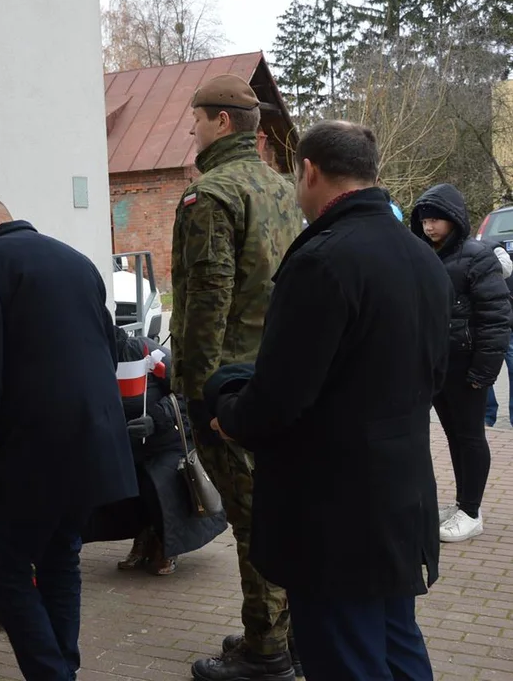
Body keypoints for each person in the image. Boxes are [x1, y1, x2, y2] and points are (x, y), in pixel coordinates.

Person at [207, 120, 451, 679]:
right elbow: (430, 376)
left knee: (346, 657)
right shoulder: (422, 260)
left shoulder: (323, 258)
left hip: (334, 515)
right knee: (396, 643)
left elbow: (281, 398)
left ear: (310, 171)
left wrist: (229, 414)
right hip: (399, 499)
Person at [0, 194, 137, 681]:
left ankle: (52, 674)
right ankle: (63, 670)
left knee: (5, 567)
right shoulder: (78, 263)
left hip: (32, 454)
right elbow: (109, 351)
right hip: (94, 442)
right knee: (60, 556)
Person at [169, 74, 303, 680]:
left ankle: (265, 650)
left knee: (253, 521)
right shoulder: (281, 187)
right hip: (277, 378)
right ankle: (291, 632)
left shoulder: (213, 194)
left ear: (222, 121)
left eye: (195, 117)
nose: (189, 127)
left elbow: (207, 296)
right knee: (281, 509)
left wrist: (195, 388)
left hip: (227, 385)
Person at [411, 185, 511, 542]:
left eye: (436, 219)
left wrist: (483, 371)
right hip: (436, 367)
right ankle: (462, 504)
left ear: (454, 219)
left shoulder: (478, 256)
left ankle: (471, 510)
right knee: (453, 436)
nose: (429, 227)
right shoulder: (424, 255)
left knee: (469, 437)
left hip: (467, 367)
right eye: (424, 219)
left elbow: (496, 318)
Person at [84, 328, 228, 575]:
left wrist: (155, 418)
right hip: (128, 443)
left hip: (167, 439)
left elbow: (186, 391)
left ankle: (166, 544)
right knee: (125, 487)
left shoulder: (148, 351)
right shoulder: (91, 361)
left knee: (159, 482)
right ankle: (143, 537)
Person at [484, 245, 513, 427]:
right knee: (484, 372)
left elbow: (505, 269)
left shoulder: (494, 250)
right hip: (483, 324)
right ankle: (487, 417)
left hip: (507, 323)